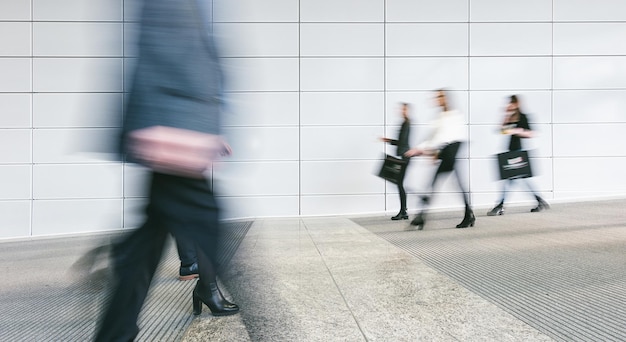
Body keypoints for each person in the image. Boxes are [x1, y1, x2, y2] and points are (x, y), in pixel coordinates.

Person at [94, 0, 239, 341]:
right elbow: (166, 42)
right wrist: (188, 125)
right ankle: (250, 309)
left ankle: (117, 329)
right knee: (211, 227)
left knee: (150, 238)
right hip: (175, 123)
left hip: (177, 120)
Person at [404, 89, 475, 230]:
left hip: (451, 151)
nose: (438, 99)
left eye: (441, 96)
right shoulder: (440, 116)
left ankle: (421, 216)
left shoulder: (454, 116)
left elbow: (444, 137)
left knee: (433, 184)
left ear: (447, 98)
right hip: (446, 152)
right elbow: (433, 137)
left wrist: (422, 150)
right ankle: (468, 214)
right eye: (437, 97)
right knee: (453, 185)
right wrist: (424, 149)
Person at [487, 95, 549, 216]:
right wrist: (505, 116)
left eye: (512, 103)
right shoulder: (510, 116)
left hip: (519, 151)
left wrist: (517, 131)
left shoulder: (523, 117)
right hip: (510, 151)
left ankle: (500, 205)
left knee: (509, 179)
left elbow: (532, 133)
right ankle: (539, 200)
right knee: (521, 179)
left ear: (517, 104)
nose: (509, 105)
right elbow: (500, 130)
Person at [381, 103, 412, 220]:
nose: (402, 111)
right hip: (403, 156)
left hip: (405, 157)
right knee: (399, 183)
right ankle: (404, 210)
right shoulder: (405, 123)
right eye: (401, 109)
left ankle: (403, 211)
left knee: (400, 183)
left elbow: (402, 142)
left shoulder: (407, 123)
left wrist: (389, 140)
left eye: (404, 109)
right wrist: (388, 140)